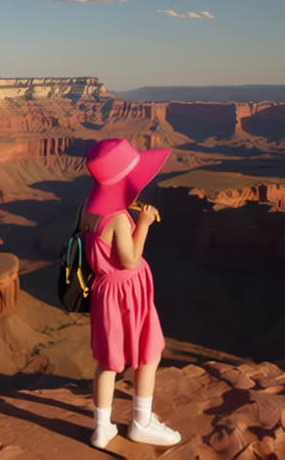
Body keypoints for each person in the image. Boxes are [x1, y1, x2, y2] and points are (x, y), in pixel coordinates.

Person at [77, 138, 181, 449]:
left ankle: (102, 428)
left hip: (104, 292)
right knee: (149, 354)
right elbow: (130, 259)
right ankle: (141, 422)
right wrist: (145, 223)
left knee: (108, 361)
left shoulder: (89, 209)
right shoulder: (119, 218)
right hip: (127, 293)